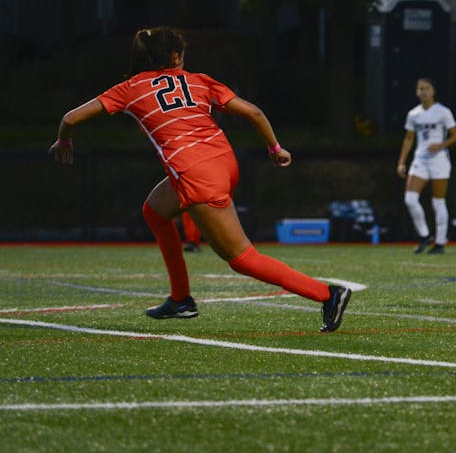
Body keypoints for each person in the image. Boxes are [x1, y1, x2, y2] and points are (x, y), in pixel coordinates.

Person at [48, 27, 351, 332]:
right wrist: (275, 148)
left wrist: (64, 141)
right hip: (224, 162)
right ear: (176, 55)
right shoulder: (199, 80)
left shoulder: (130, 88)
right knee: (154, 211)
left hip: (196, 174)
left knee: (242, 258)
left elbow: (70, 119)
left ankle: (327, 294)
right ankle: (180, 299)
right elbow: (254, 113)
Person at [396, 78, 456, 254]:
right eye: (421, 89)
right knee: (410, 199)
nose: (424, 91)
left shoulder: (443, 112)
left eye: (427, 88)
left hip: (439, 160)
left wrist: (440, 145)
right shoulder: (413, 114)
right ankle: (425, 236)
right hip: (420, 160)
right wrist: (402, 162)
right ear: (417, 92)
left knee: (438, 201)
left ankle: (440, 242)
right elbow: (409, 138)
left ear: (433, 91)